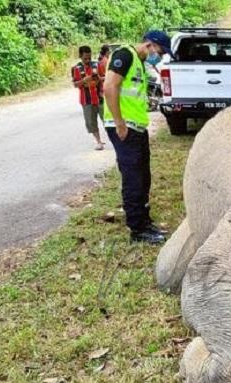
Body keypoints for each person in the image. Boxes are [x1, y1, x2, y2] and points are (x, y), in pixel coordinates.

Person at [102, 30, 174, 244]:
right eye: (159, 52)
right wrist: (119, 123)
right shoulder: (124, 55)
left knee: (143, 176)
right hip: (125, 128)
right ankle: (137, 230)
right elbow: (109, 87)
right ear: (150, 45)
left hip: (137, 128)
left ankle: (144, 221)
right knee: (133, 179)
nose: (159, 57)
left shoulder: (140, 64)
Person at [72, 46, 105, 150]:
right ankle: (99, 142)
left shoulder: (97, 65)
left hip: (100, 97)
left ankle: (115, 139)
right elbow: (75, 84)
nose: (87, 60)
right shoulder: (76, 69)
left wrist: (99, 79)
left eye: (89, 58)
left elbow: (105, 77)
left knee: (107, 119)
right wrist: (84, 80)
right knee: (91, 122)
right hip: (86, 100)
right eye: (85, 58)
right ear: (80, 56)